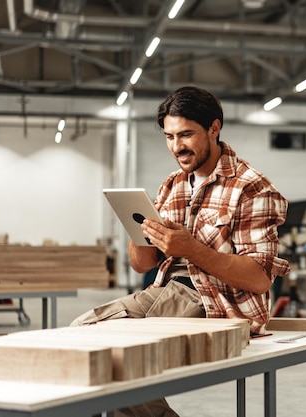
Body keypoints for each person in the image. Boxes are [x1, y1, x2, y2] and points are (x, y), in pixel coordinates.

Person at [72, 86, 291, 417]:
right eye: (170, 136)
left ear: (214, 129)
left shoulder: (252, 189)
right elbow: (141, 264)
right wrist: (138, 229)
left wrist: (191, 248)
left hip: (216, 303)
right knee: (79, 338)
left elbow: (260, 280)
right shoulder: (172, 185)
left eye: (186, 135)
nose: (177, 147)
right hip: (165, 292)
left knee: (119, 356)